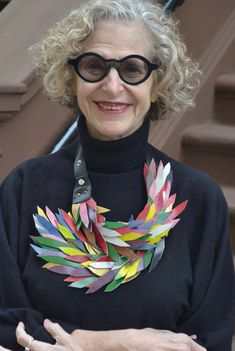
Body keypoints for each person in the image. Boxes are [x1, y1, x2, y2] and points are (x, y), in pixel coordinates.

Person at [0, 0, 234, 350]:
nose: (112, 86)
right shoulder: (24, 187)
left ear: (156, 82)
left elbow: (207, 342)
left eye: (133, 68)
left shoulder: (198, 198)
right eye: (94, 66)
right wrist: (107, 342)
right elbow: (4, 321)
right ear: (71, 77)